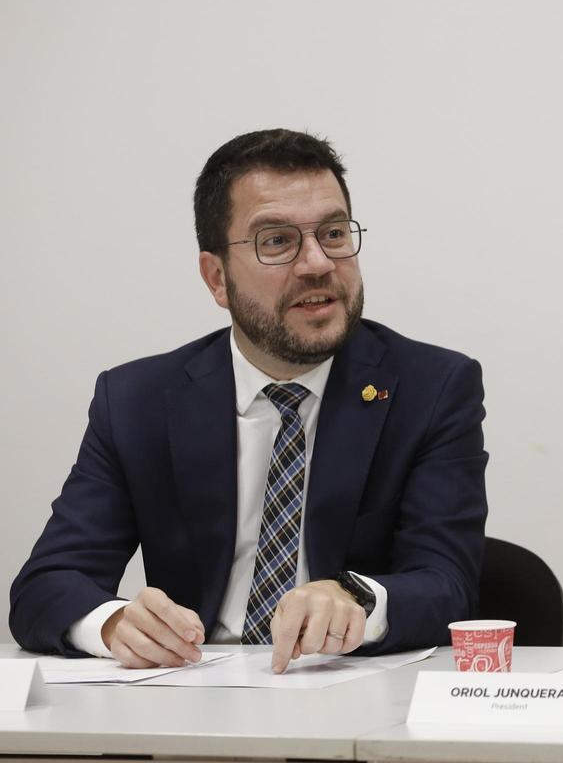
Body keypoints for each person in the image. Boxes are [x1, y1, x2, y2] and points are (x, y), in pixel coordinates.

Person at [10, 129, 488, 673]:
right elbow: (46, 586)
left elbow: (448, 583)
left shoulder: (431, 387)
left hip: (353, 700)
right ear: (217, 277)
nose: (317, 263)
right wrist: (115, 625)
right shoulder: (137, 400)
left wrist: (355, 599)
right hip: (188, 709)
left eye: (333, 233)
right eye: (277, 241)